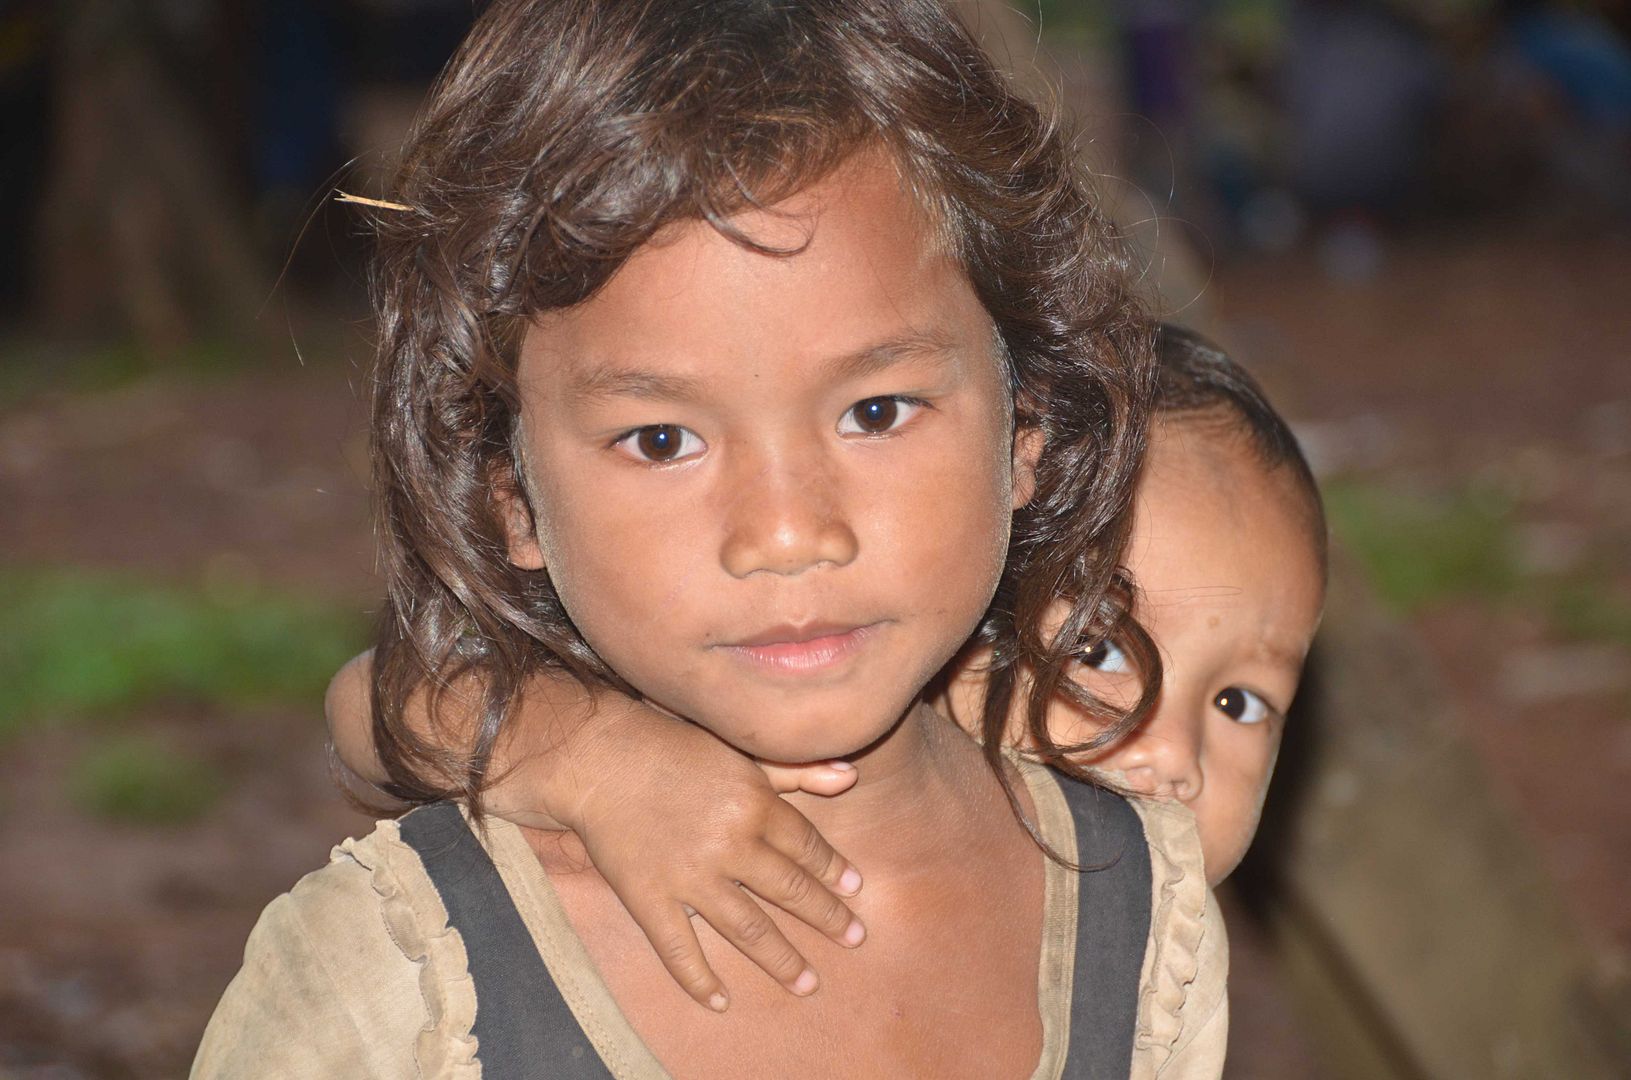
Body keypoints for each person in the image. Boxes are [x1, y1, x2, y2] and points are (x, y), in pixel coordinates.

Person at [194, 1, 1228, 1076]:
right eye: (659, 439)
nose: (784, 533)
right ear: (512, 500)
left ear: (1024, 433)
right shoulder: (399, 976)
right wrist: (586, 758)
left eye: (874, 412)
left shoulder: (1143, 918)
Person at [325, 322, 1326, 1000]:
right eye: (1102, 651)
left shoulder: (1146, 971)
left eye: (1240, 702)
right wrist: (593, 757)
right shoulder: (754, 726)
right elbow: (377, 701)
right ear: (971, 594)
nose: (1172, 755)